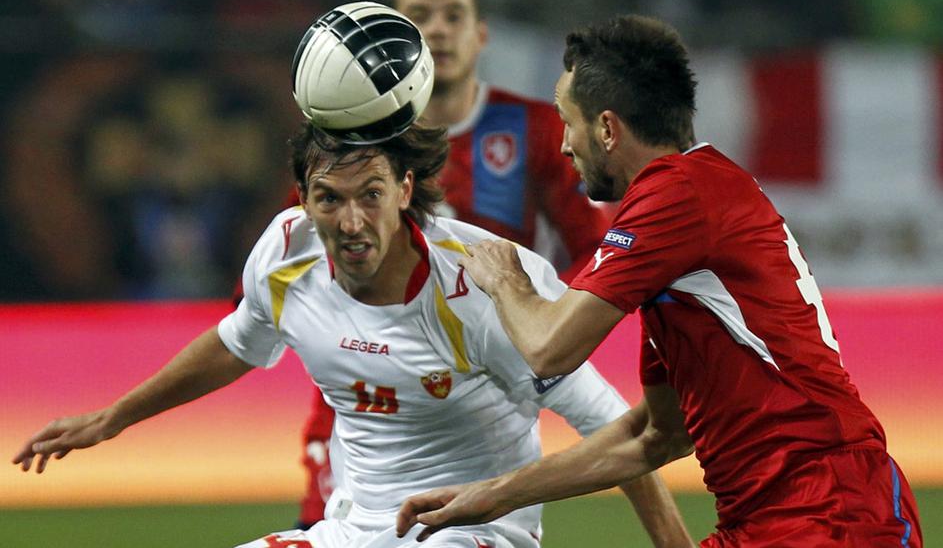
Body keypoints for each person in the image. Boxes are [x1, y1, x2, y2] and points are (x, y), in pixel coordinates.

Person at [13, 123, 692, 548]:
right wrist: (112, 417)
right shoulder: (287, 253)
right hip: (353, 529)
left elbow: (619, 430)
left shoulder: (479, 287)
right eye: (329, 198)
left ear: (405, 189)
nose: (350, 220)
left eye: (370, 194)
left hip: (475, 532)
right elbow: (235, 343)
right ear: (303, 199)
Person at [396, 15, 924, 547]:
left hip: (830, 510)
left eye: (567, 121)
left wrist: (506, 280)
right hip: (776, 517)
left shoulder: (678, 194)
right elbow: (657, 436)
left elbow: (549, 348)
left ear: (607, 129)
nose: (563, 146)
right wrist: (493, 495)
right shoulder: (682, 225)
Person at [293, 0, 613, 528]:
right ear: (392, 34)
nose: (437, 30)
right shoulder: (345, 141)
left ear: (481, 33)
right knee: (333, 526)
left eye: (454, 16)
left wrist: (541, 322)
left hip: (483, 377)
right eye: (419, 17)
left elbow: (597, 250)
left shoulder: (535, 129)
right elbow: (300, 250)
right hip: (364, 377)